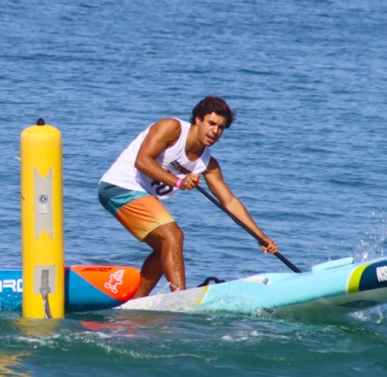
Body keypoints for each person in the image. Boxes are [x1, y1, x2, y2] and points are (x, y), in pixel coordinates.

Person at [98, 96, 278, 298]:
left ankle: (136, 302)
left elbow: (229, 202)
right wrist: (178, 182)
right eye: (211, 123)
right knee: (173, 236)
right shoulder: (172, 128)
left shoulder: (208, 165)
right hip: (119, 187)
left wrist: (259, 236)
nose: (215, 132)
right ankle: (180, 298)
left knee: (164, 249)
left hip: (140, 196)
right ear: (198, 120)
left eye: (221, 128)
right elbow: (142, 161)